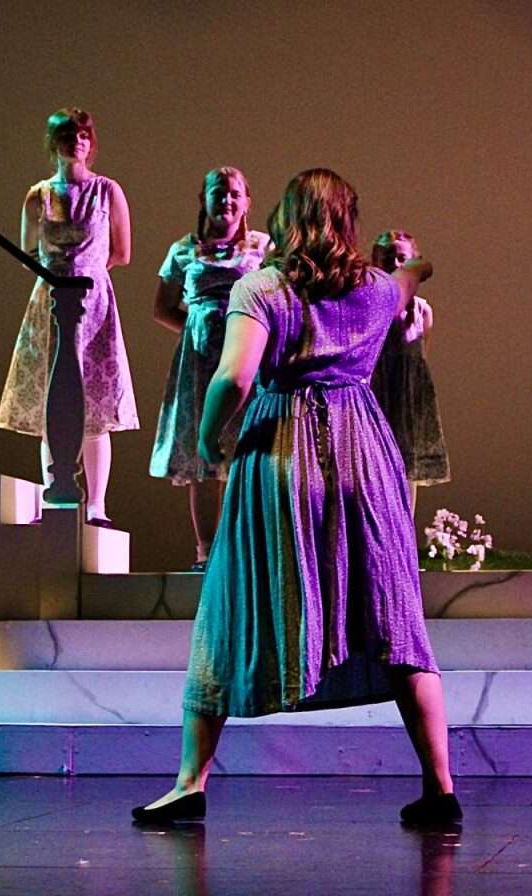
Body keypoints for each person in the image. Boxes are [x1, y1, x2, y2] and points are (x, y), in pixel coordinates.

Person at [132, 168, 459, 827]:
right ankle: (441, 787)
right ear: (348, 222)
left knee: (231, 603)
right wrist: (418, 266)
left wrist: (208, 435)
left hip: (280, 449)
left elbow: (234, 378)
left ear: (284, 220)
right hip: (363, 453)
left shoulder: (261, 288)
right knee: (393, 617)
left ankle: (191, 782)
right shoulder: (373, 289)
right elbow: (406, 280)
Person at [0, 108, 138, 525]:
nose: (77, 142)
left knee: (94, 403)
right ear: (54, 142)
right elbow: (27, 251)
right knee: (53, 401)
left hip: (93, 303)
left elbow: (122, 252)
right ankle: (53, 493)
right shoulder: (38, 195)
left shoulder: (107, 191)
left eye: (83, 135)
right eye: (68, 135)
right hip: (52, 300)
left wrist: (86, 272)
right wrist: (60, 273)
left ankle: (96, 505)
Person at [149, 167, 270, 570]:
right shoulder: (183, 249)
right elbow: (163, 308)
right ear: (204, 199)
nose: (227, 200)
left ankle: (247, 551)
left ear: (247, 201)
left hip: (247, 358)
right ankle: (206, 552)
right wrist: (197, 330)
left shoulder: (263, 248)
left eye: (235, 193)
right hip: (200, 365)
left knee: (248, 452)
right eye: (219, 193)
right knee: (205, 460)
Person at [369, 229, 451, 514]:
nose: (395, 265)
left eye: (402, 259)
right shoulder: (370, 305)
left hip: (408, 400)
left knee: (408, 468)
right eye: (387, 258)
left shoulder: (422, 311)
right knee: (375, 467)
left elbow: (420, 355)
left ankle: (405, 528)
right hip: (379, 393)